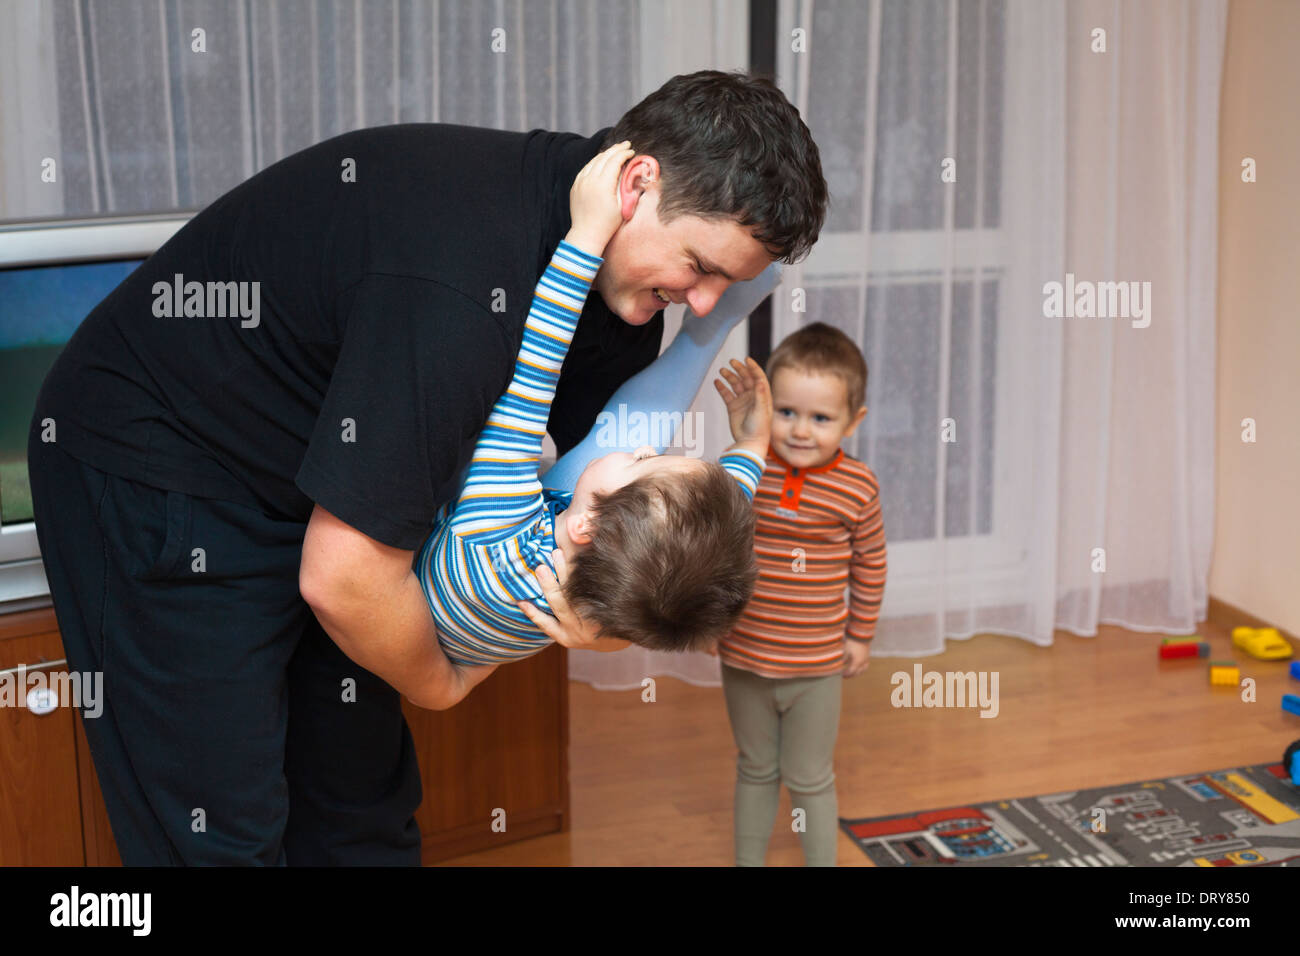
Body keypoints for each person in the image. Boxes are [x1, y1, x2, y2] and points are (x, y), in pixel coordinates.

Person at [28, 69, 828, 865]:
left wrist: (612, 615)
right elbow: (344, 579)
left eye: (730, 283)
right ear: (637, 183)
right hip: (165, 458)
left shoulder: (622, 290)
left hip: (327, 489)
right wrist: (445, 681)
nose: (703, 301)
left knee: (356, 810)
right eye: (701, 265)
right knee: (221, 833)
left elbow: (572, 502)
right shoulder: (460, 284)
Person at [415, 142, 778, 708]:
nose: (641, 451)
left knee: (523, 425)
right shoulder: (616, 591)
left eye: (642, 463)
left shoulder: (491, 529)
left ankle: (708, 331)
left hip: (461, 548)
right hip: (527, 574)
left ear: (585, 523)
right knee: (668, 508)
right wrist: (752, 444)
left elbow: (537, 365)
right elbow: (707, 528)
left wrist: (585, 237)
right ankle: (712, 329)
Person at [712, 322, 887, 866]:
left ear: (852, 422)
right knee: (754, 767)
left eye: (821, 418)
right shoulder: (748, 469)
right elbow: (716, 549)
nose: (800, 431)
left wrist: (860, 636)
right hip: (744, 655)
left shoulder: (858, 487)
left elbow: (872, 565)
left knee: (810, 777)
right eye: (786, 412)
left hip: (816, 665)